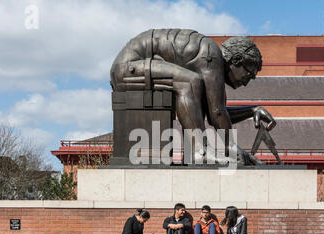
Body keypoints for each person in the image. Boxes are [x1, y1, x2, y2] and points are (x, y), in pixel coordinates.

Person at [110, 29, 263, 164]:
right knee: (188, 82)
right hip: (127, 67)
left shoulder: (209, 62)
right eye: (249, 74)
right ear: (235, 60)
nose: (246, 82)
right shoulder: (211, 54)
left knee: (192, 84)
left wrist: (253, 110)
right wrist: (231, 147)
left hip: (135, 67)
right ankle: (200, 152)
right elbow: (217, 112)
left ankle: (195, 153)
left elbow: (215, 113)